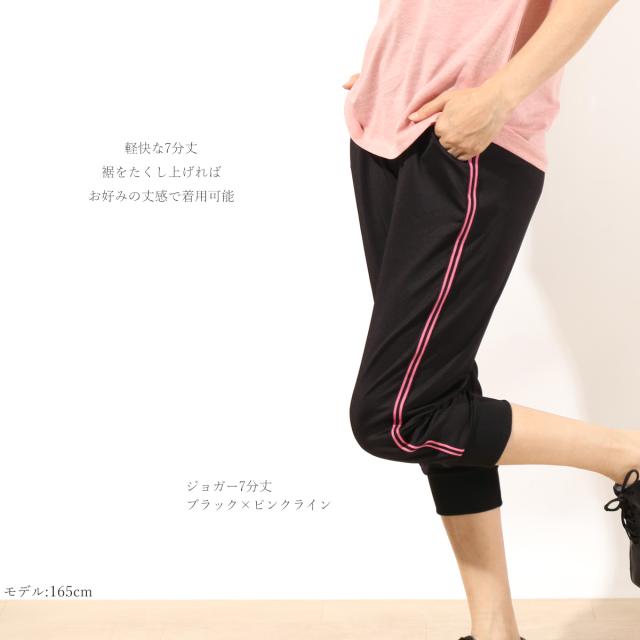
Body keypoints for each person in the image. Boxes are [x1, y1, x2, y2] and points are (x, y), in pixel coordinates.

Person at [342, 1, 636, 639]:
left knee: (397, 414)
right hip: (385, 121)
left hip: (472, 136)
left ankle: (628, 454)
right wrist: (391, 65)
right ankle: (495, 631)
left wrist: (499, 95)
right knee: (439, 394)